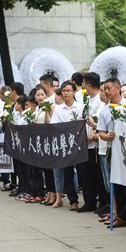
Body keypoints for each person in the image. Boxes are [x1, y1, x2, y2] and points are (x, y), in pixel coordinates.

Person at [97, 78, 126, 228]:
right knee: (116, 184)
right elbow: (101, 132)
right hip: (113, 150)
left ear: (118, 88)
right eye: (104, 89)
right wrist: (108, 136)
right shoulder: (104, 110)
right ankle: (120, 216)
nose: (106, 91)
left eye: (109, 88)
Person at [47, 81, 83, 210]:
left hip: (79, 145)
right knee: (67, 173)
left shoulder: (81, 107)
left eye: (69, 90)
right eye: (64, 91)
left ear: (74, 92)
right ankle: (73, 201)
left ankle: (89, 200)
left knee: (82, 172)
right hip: (65, 145)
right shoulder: (58, 109)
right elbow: (54, 125)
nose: (66, 93)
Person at [76, 72, 107, 213]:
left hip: (96, 143)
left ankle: (103, 203)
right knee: (85, 175)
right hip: (84, 143)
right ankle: (89, 201)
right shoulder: (86, 100)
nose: (83, 87)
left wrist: (94, 134)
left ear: (88, 85)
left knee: (98, 176)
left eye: (83, 84)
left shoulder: (101, 101)